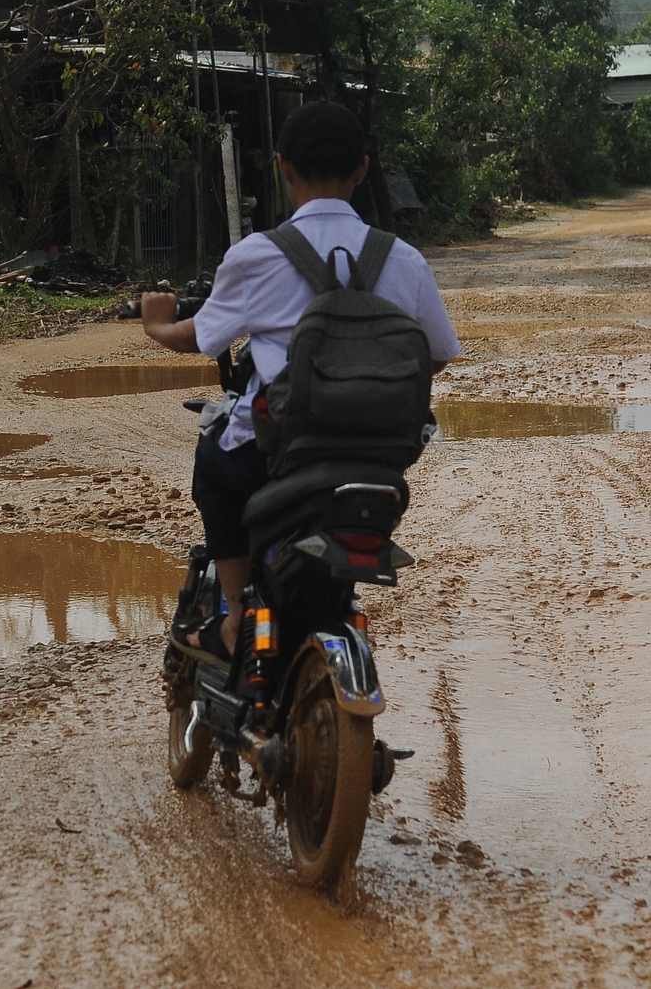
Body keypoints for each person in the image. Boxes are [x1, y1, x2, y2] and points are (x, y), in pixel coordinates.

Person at [140, 103, 460, 658]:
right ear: (362, 169)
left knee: (213, 468)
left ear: (283, 168)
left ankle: (235, 615)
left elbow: (203, 337)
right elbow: (436, 354)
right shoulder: (404, 260)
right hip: (379, 459)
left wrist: (157, 324)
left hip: (279, 456)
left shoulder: (256, 256)